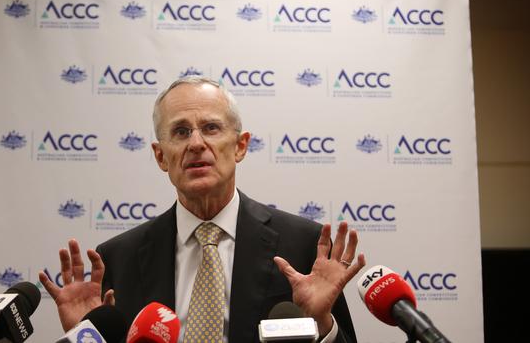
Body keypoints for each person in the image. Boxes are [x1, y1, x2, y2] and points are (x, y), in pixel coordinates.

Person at [39, 77, 366, 342]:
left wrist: (322, 323)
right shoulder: (117, 258)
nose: (196, 143)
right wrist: (83, 339)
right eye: (181, 132)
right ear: (161, 156)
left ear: (240, 146)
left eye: (211, 128)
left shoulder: (300, 244)